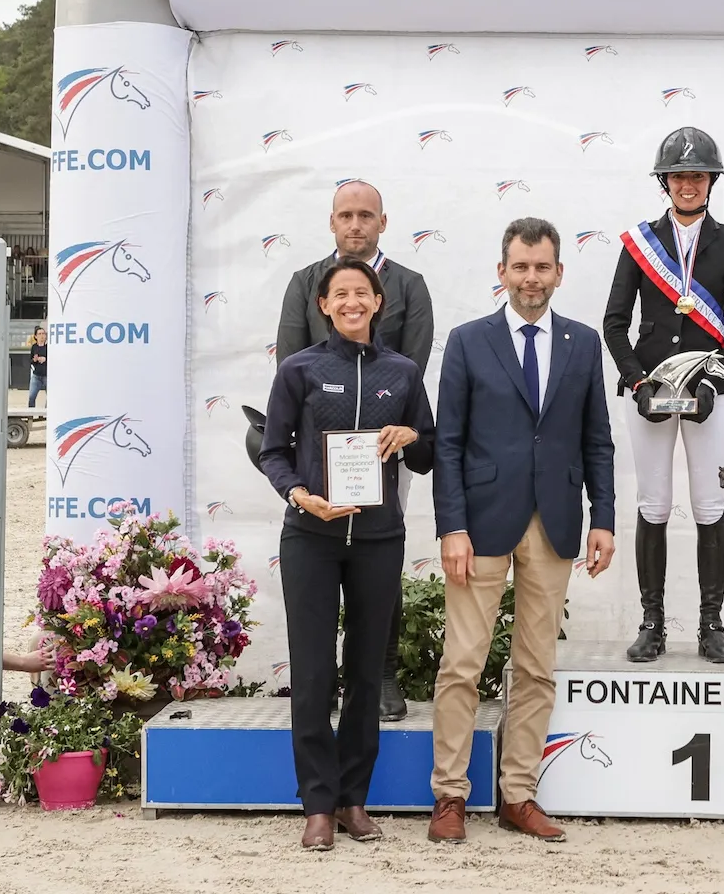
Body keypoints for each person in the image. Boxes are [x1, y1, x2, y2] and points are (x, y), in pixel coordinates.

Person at [427, 219, 615, 844]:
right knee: (462, 664)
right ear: (502, 271)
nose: (531, 278)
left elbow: (597, 440)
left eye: (542, 267)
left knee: (536, 666)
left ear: (559, 272)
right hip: (480, 525)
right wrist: (451, 525)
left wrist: (604, 518)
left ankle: (518, 794)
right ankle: (450, 797)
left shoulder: (584, 343)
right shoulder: (466, 341)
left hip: (556, 523)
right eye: (520, 267)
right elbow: (448, 442)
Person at [259, 257, 435, 850]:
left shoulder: (404, 372)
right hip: (311, 535)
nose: (353, 301)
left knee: (364, 672)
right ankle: (316, 805)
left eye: (363, 292)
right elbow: (273, 450)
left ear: (378, 302)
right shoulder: (299, 369)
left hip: (379, 540)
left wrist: (412, 434)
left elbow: (428, 451)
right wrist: (301, 496)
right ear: (325, 305)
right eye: (341, 294)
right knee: (312, 673)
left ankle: (354, 800)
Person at [275, 178, 434, 722]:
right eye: (346, 215)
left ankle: (383, 674)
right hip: (318, 462)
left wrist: (394, 435)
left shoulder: (410, 285)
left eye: (367, 215)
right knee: (318, 571)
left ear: (383, 222)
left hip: (385, 456)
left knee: (379, 561)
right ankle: (322, 688)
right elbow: (291, 369)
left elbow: (409, 370)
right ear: (332, 222)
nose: (356, 224)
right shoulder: (304, 282)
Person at [603, 126, 724, 665]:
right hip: (650, 390)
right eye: (679, 175)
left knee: (709, 504)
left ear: (710, 182)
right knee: (655, 503)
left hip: (706, 389)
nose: (688, 184)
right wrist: (636, 380)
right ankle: (652, 623)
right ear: (665, 182)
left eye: (697, 175)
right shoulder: (641, 243)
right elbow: (615, 322)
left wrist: (718, 379)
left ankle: (711, 625)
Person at [27, 326, 48, 408]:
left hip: (47, 375)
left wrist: (45, 359)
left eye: (43, 334)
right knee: (31, 396)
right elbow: (30, 360)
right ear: (35, 336)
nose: (42, 336)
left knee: (50, 397)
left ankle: (46, 413)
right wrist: (35, 360)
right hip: (37, 375)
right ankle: (30, 415)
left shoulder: (48, 347)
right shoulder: (34, 347)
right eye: (39, 334)